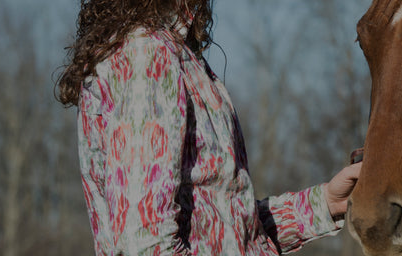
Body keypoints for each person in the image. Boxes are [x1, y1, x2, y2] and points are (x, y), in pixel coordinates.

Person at [55, 1, 361, 254]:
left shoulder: (173, 53)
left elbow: (232, 235)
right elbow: (144, 244)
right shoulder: (147, 57)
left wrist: (325, 204)